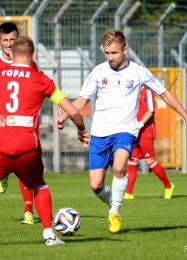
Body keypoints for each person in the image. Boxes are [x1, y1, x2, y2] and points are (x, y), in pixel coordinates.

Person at [55, 28, 187, 234]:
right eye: (107, 53)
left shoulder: (138, 72)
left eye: (114, 52)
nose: (111, 57)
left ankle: (115, 212)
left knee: (120, 166)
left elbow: (165, 95)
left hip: (125, 131)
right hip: (99, 134)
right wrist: (65, 114)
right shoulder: (98, 72)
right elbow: (81, 100)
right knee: (96, 186)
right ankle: (114, 201)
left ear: (125, 50)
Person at [0, 36, 89, 245]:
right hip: (26, 148)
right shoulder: (41, 79)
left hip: (1, 146)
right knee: (39, 185)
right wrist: (82, 130)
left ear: (11, 54)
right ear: (33, 56)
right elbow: (73, 111)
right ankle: (49, 235)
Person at [0, 21, 39, 225]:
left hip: (24, 122)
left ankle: (28, 211)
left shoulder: (28, 63)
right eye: (5, 40)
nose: (8, 44)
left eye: (12, 40)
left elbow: (39, 84)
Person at [124, 86, 175, 200]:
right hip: (133, 131)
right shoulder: (131, 90)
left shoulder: (147, 91)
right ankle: (129, 193)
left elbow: (150, 111)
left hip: (145, 131)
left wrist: (140, 124)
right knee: (132, 160)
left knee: (149, 160)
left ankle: (168, 186)